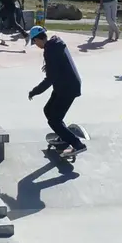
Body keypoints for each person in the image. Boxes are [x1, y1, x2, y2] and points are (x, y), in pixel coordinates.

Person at [28, 25, 86, 155]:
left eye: (34, 42)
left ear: (37, 39)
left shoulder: (50, 50)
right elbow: (58, 66)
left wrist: (34, 91)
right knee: (48, 110)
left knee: (54, 120)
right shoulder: (54, 44)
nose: (35, 45)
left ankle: (77, 144)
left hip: (67, 88)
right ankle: (64, 137)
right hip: (64, 85)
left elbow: (50, 79)